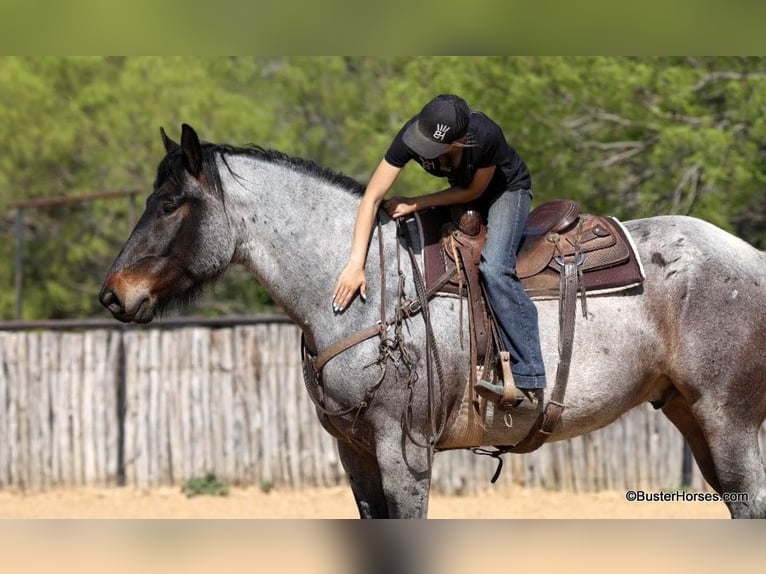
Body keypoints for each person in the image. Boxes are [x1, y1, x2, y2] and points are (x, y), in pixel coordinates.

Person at [333, 94, 546, 401]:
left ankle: (528, 373)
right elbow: (372, 198)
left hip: (505, 192)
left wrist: (416, 202)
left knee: (495, 267)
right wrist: (355, 264)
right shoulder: (412, 134)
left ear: (459, 142)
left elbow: (473, 191)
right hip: (459, 193)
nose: (422, 151)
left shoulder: (485, 135)